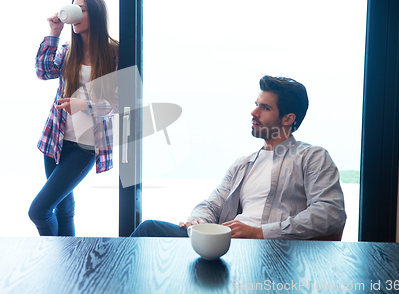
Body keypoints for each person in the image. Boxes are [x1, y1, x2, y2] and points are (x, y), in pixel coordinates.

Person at [131, 76, 346, 239]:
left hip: (273, 249)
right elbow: (212, 205)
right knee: (150, 230)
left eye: (265, 107)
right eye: (256, 104)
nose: (254, 112)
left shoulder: (312, 157)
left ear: (288, 118)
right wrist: (198, 221)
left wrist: (260, 232)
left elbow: (330, 213)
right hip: (226, 242)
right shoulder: (244, 164)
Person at [29, 0, 119, 236]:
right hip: (55, 140)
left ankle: (51, 256)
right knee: (63, 210)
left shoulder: (115, 54)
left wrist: (83, 104)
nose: (76, 13)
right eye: (75, 8)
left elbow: (119, 104)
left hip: (85, 147)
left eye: (83, 9)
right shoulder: (68, 49)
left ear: (97, 15)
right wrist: (54, 32)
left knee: (38, 211)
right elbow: (43, 71)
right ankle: (65, 268)